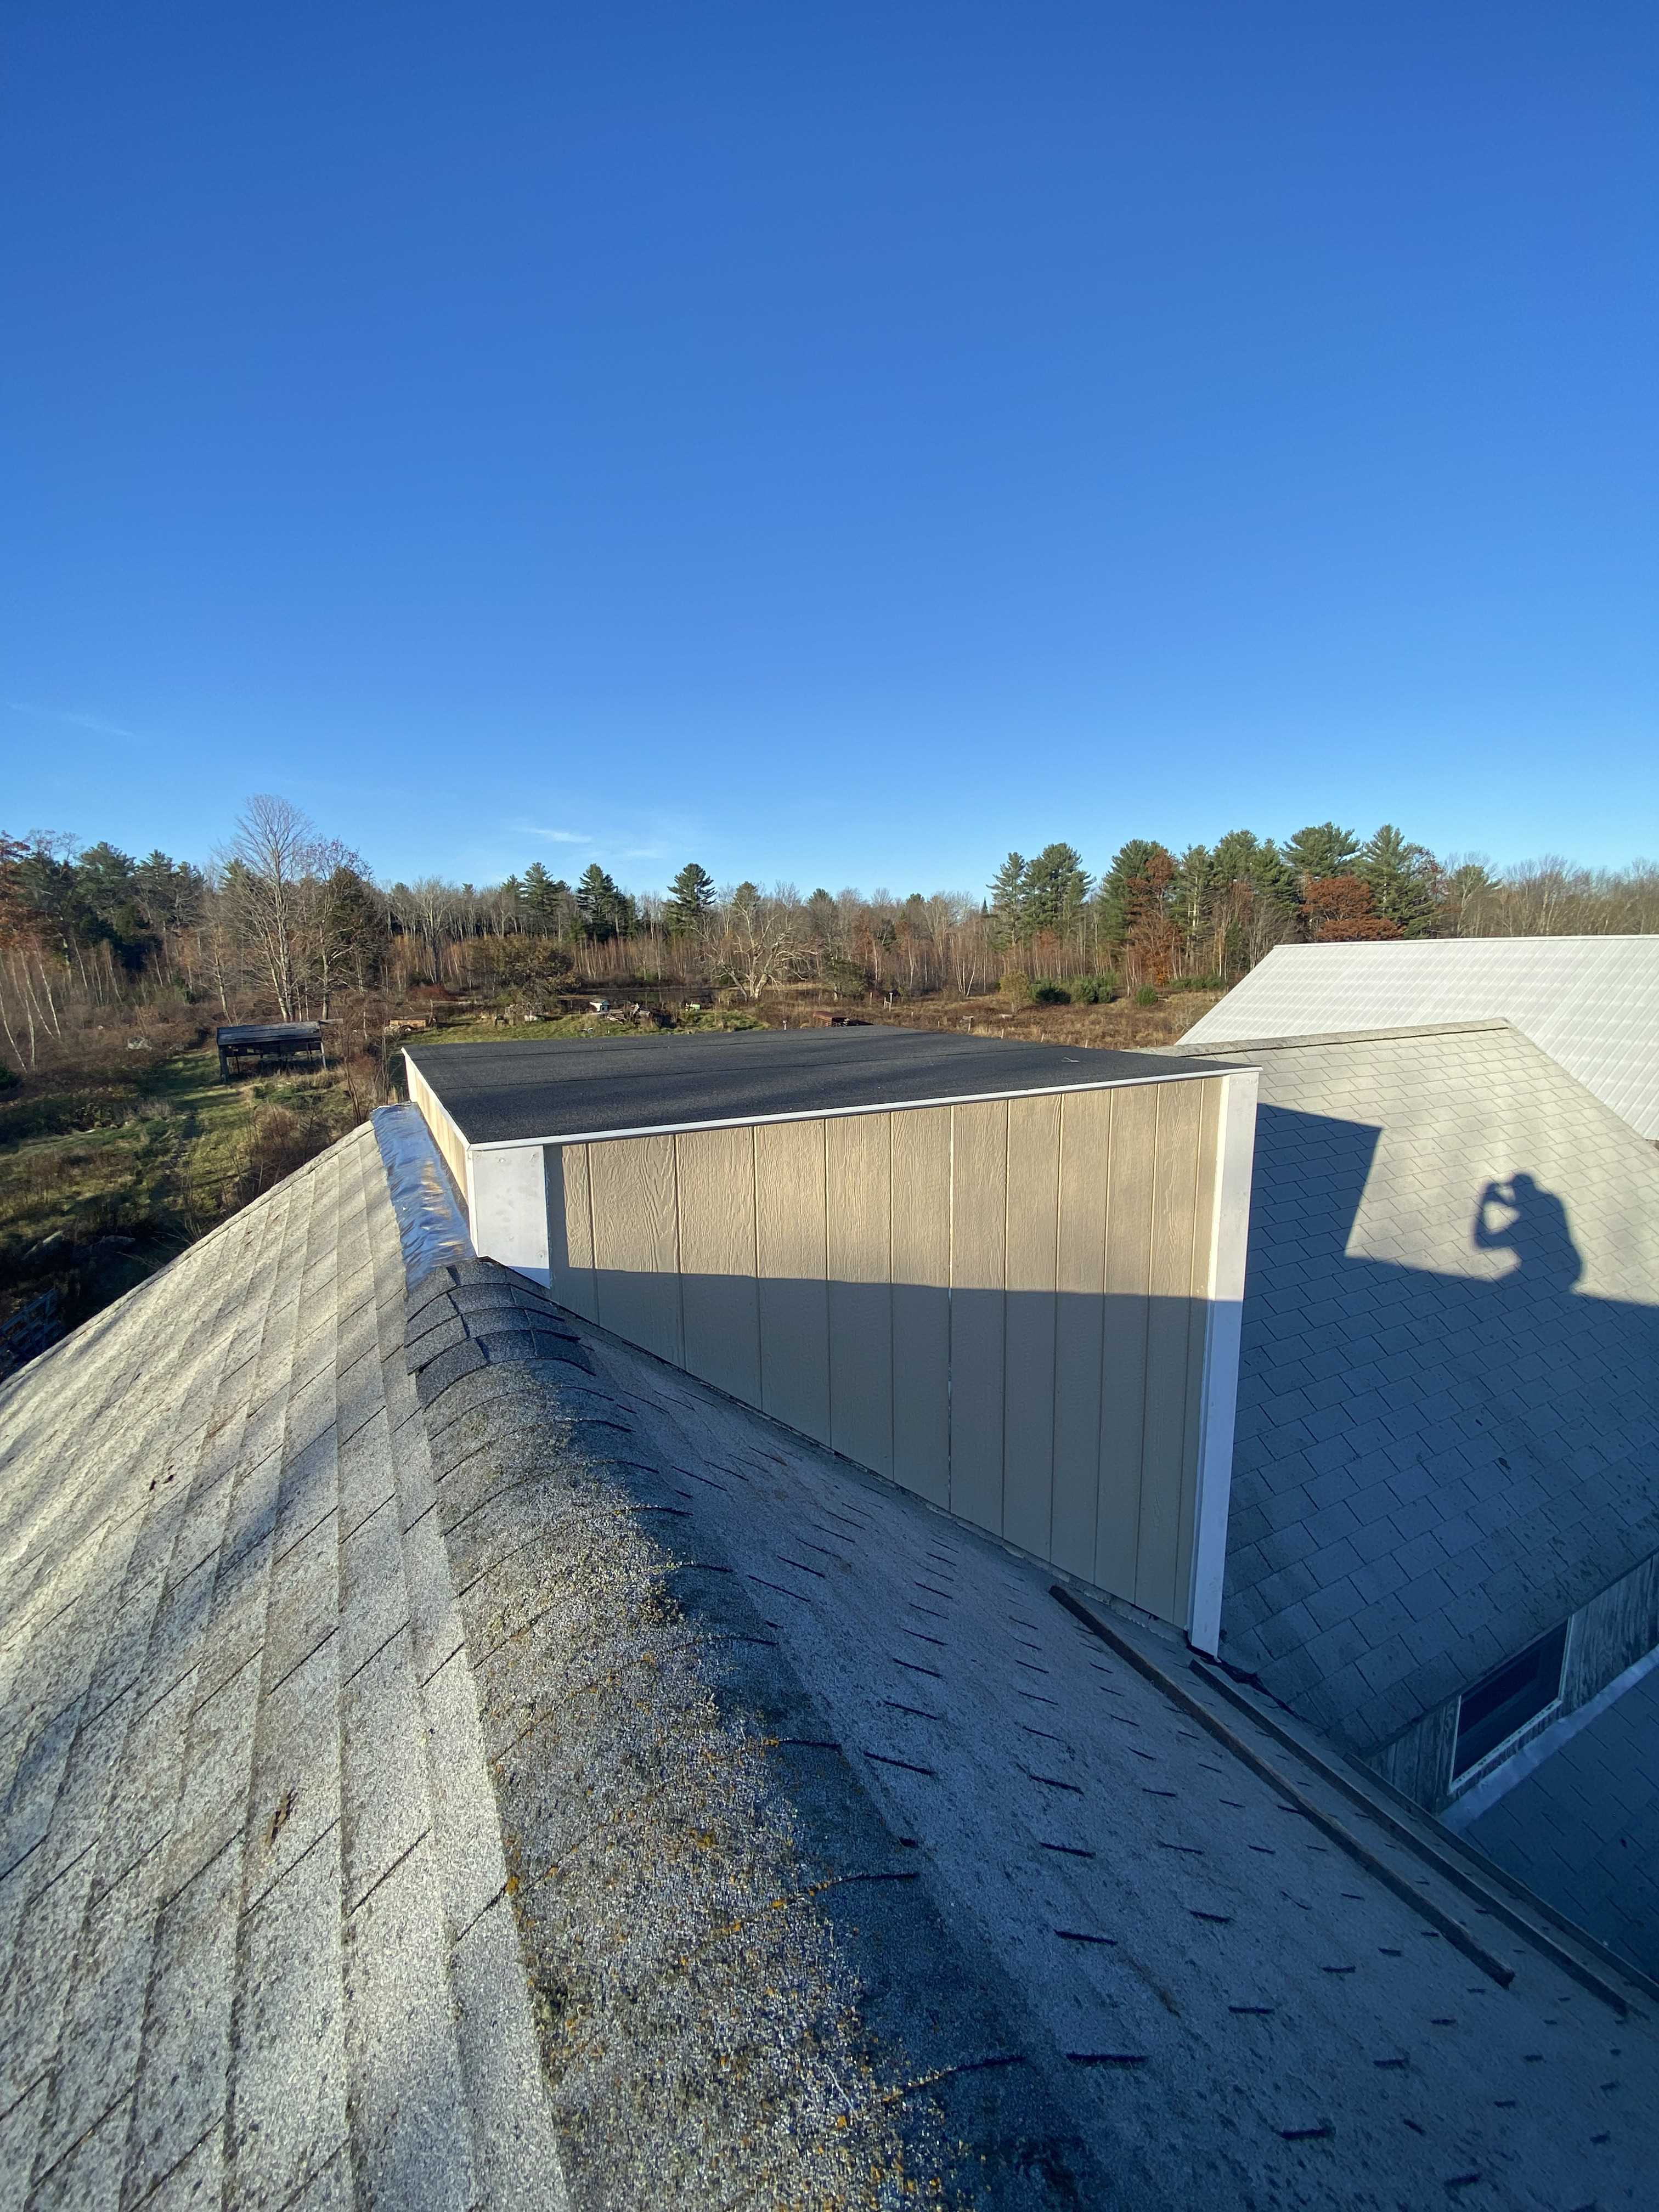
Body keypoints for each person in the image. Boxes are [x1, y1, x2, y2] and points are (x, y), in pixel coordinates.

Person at [1473, 1172, 1583, 1290]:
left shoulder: (1521, 1229)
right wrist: (1504, 1201)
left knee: (1496, 1290)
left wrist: (1484, 1204)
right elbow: (1530, 1205)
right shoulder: (1553, 1202)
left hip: (1546, 1273)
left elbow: (1483, 1242)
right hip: (1572, 1266)